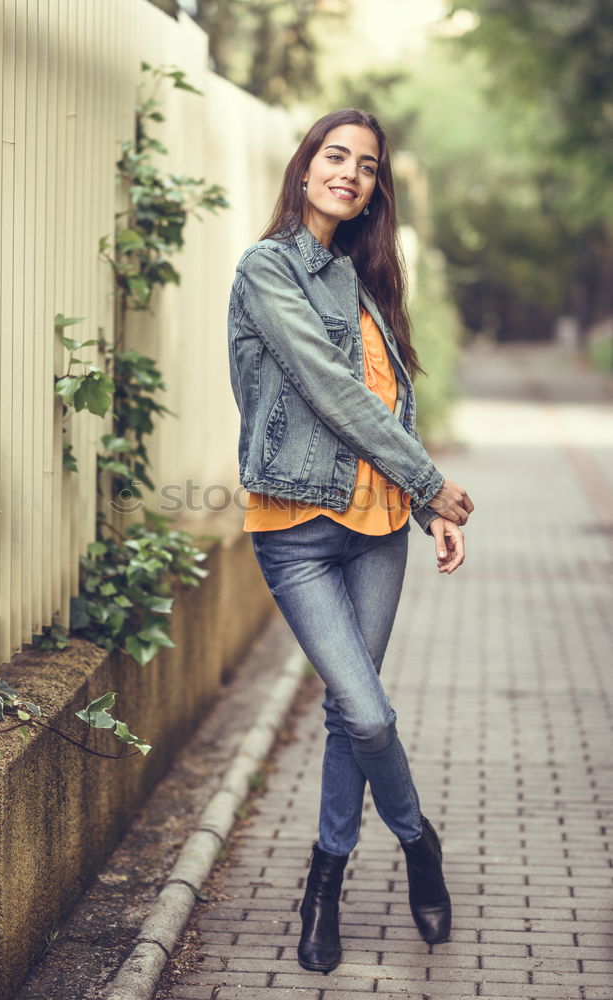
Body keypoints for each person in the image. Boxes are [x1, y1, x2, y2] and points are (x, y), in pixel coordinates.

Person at [227, 108, 474, 974]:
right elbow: (332, 392)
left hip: (376, 533)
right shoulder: (268, 269)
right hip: (295, 531)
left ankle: (322, 884)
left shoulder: (367, 282)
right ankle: (416, 840)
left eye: (366, 166)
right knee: (366, 710)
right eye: (336, 157)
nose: (350, 173)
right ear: (304, 169)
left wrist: (423, 509)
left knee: (347, 717)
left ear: (374, 191)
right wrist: (436, 484)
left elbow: (385, 411)